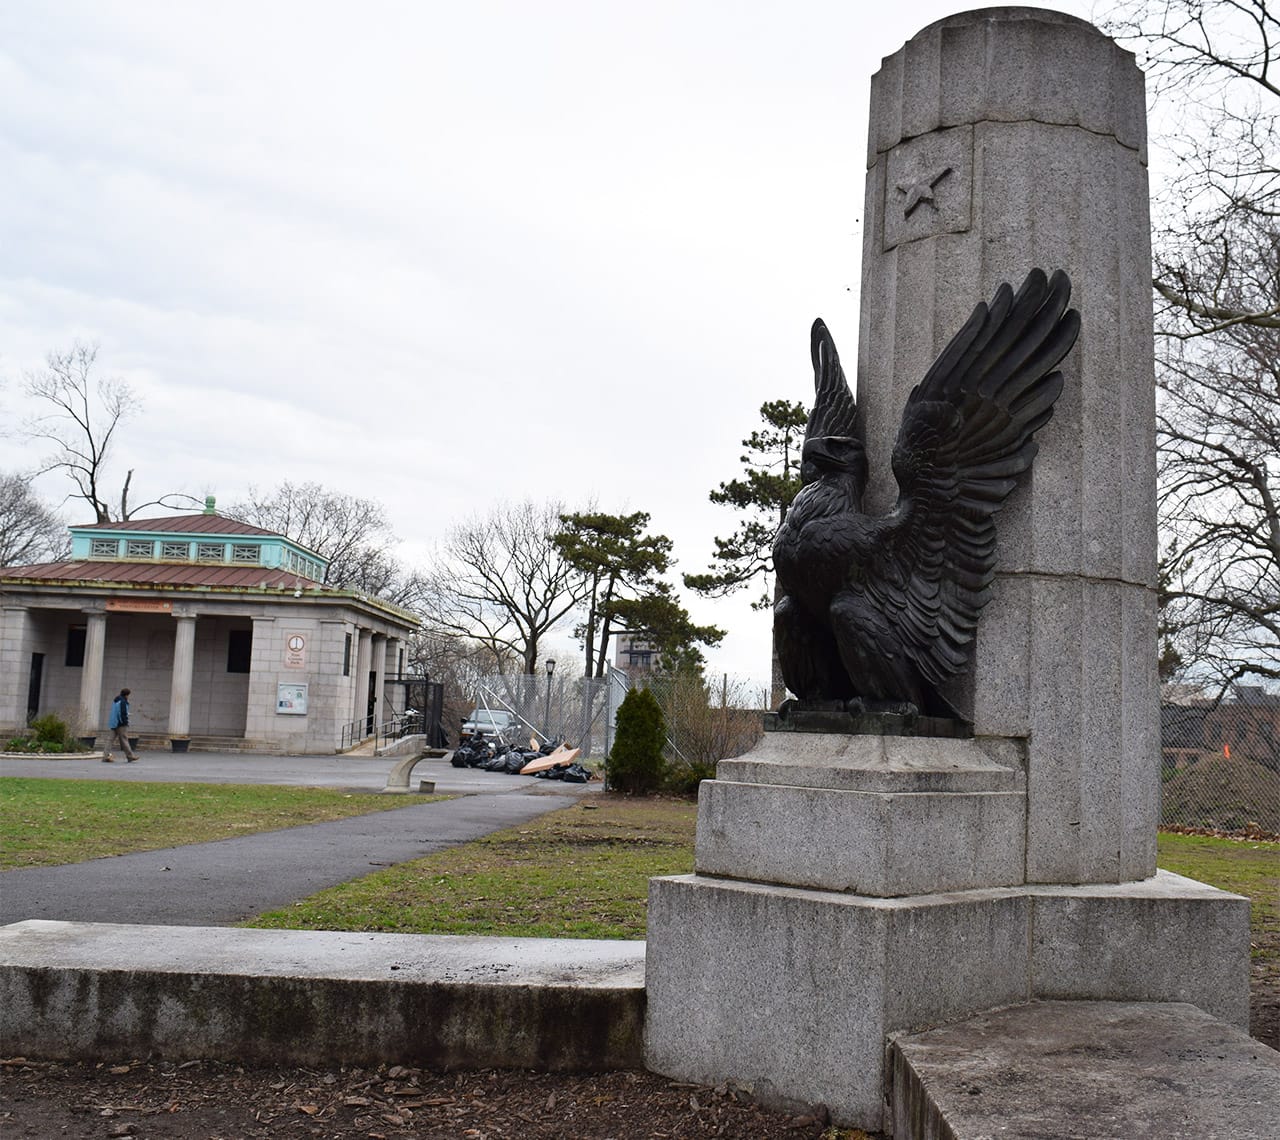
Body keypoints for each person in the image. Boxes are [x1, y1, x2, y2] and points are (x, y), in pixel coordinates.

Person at [103, 688, 139, 763]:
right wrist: (125, 722)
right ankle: (130, 756)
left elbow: (116, 712)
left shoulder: (116, 700)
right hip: (120, 724)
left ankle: (105, 756)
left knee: (110, 740)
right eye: (128, 695)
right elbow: (122, 713)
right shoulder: (123, 702)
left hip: (113, 723)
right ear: (126, 695)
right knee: (124, 740)